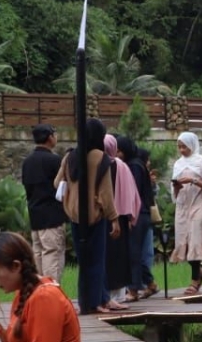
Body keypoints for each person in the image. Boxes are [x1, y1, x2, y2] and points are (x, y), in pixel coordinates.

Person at [54, 117, 121, 315]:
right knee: (97, 260)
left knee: (84, 262)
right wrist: (114, 218)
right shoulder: (101, 158)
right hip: (95, 215)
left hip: (74, 215)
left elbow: (57, 183)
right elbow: (106, 193)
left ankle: (86, 302)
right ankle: (96, 302)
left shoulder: (70, 156)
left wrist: (72, 192)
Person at [170, 132, 202, 296]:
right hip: (182, 206)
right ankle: (199, 271)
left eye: (185, 146)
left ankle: (194, 280)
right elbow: (173, 192)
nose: (182, 150)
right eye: (179, 147)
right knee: (183, 241)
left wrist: (193, 181)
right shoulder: (178, 164)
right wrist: (176, 186)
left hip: (197, 204)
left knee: (195, 239)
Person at [20, 123, 66, 284]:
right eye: (54, 134)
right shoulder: (54, 160)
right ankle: (51, 289)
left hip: (35, 214)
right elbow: (63, 186)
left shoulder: (27, 162)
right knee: (52, 252)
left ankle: (38, 288)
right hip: (52, 215)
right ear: (49, 137)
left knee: (38, 253)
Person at [116, 137, 156, 300]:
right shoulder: (136, 164)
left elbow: (134, 193)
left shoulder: (133, 166)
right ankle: (150, 283)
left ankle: (133, 290)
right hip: (141, 214)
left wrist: (130, 216)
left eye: (119, 151)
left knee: (133, 252)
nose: (117, 154)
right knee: (135, 253)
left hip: (137, 214)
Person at [103, 134, 139, 308]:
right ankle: (119, 294)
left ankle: (105, 293)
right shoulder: (122, 166)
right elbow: (133, 195)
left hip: (104, 218)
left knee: (107, 256)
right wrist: (131, 216)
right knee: (120, 257)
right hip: (122, 218)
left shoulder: (99, 165)